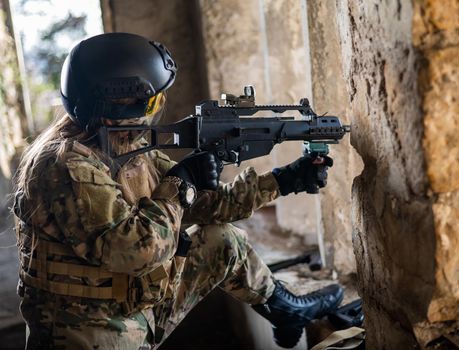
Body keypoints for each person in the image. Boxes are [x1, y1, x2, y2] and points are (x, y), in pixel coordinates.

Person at [13, 32, 343, 350]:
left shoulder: (123, 147)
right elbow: (135, 252)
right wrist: (180, 183)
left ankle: (285, 312)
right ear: (116, 108)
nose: (156, 108)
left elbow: (202, 206)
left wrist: (282, 181)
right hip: (89, 335)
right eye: (152, 100)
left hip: (137, 311)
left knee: (222, 240)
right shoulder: (64, 166)